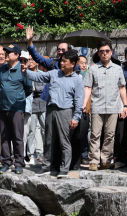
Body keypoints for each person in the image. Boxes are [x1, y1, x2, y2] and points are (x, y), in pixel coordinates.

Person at [23, 50, 84, 178]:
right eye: (61, 60)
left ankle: (64, 168)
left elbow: (79, 101)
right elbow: (37, 77)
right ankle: (47, 166)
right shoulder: (54, 73)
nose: (61, 63)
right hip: (50, 109)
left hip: (66, 111)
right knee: (49, 140)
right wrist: (25, 71)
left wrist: (76, 117)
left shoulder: (77, 80)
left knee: (64, 141)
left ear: (73, 64)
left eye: (64, 61)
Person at [83, 41, 127, 171]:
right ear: (98, 53)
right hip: (97, 106)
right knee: (95, 134)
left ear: (111, 52)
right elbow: (88, 88)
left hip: (114, 106)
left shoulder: (118, 68)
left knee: (110, 135)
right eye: (102, 51)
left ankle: (106, 160)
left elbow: (122, 88)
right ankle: (93, 160)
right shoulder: (93, 68)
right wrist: (85, 103)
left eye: (107, 51)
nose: (104, 53)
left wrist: (125, 105)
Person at [0, 44, 33, 174]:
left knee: (18, 137)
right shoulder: (2, 69)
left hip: (17, 108)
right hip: (2, 107)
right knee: (5, 136)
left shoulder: (23, 70)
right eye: (5, 52)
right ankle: (6, 162)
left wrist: (18, 98)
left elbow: (28, 89)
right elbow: (2, 86)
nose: (5, 55)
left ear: (17, 55)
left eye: (9, 52)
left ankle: (18, 163)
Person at [25, 56, 46, 166]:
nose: (31, 61)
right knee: (31, 131)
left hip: (43, 104)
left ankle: (44, 154)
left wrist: (35, 89)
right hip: (30, 105)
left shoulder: (41, 74)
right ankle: (31, 155)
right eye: (29, 59)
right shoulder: (25, 74)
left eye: (33, 59)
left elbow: (44, 88)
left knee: (45, 130)